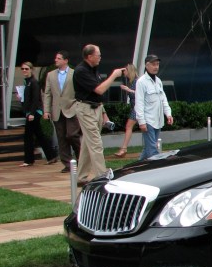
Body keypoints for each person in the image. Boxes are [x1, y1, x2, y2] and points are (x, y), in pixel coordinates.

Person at [73, 44, 125, 186]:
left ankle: (81, 177)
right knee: (96, 143)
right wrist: (114, 75)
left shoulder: (93, 69)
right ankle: (103, 176)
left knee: (87, 143)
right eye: (98, 55)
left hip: (95, 108)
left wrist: (103, 113)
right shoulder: (81, 71)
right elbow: (99, 90)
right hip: (85, 109)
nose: (100, 57)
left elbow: (98, 97)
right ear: (90, 56)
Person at [42, 50, 81, 173]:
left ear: (65, 60)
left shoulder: (74, 73)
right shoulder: (50, 75)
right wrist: (46, 110)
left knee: (71, 134)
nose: (56, 60)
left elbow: (79, 91)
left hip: (72, 108)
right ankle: (67, 163)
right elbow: (47, 94)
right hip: (57, 110)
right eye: (56, 58)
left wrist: (78, 106)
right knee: (61, 137)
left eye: (59, 58)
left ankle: (81, 157)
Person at [17, 62, 58, 166]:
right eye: (22, 69)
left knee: (28, 136)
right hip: (31, 112)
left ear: (31, 69)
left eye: (26, 69)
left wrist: (31, 113)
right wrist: (21, 99)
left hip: (34, 113)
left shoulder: (34, 82)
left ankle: (29, 160)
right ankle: (51, 156)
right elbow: (28, 99)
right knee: (39, 135)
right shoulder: (27, 82)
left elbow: (36, 99)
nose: (24, 70)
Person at [135, 54, 173, 160]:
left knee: (148, 147)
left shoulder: (158, 81)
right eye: (153, 64)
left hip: (158, 120)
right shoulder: (141, 82)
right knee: (152, 149)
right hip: (148, 120)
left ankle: (137, 166)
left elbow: (163, 99)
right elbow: (139, 103)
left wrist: (168, 114)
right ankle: (156, 167)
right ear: (147, 65)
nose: (156, 67)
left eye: (157, 64)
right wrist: (141, 121)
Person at [114, 63, 139, 158]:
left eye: (125, 70)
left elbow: (139, 94)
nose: (123, 72)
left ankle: (124, 149)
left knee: (129, 126)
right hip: (135, 107)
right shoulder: (131, 81)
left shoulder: (137, 81)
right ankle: (124, 149)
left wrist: (128, 90)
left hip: (138, 108)